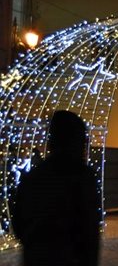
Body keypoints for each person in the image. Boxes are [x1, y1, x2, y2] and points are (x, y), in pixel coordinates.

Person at [12, 110, 102, 266]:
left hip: (37, 258)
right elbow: (90, 229)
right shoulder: (83, 176)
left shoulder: (34, 176)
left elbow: (19, 224)